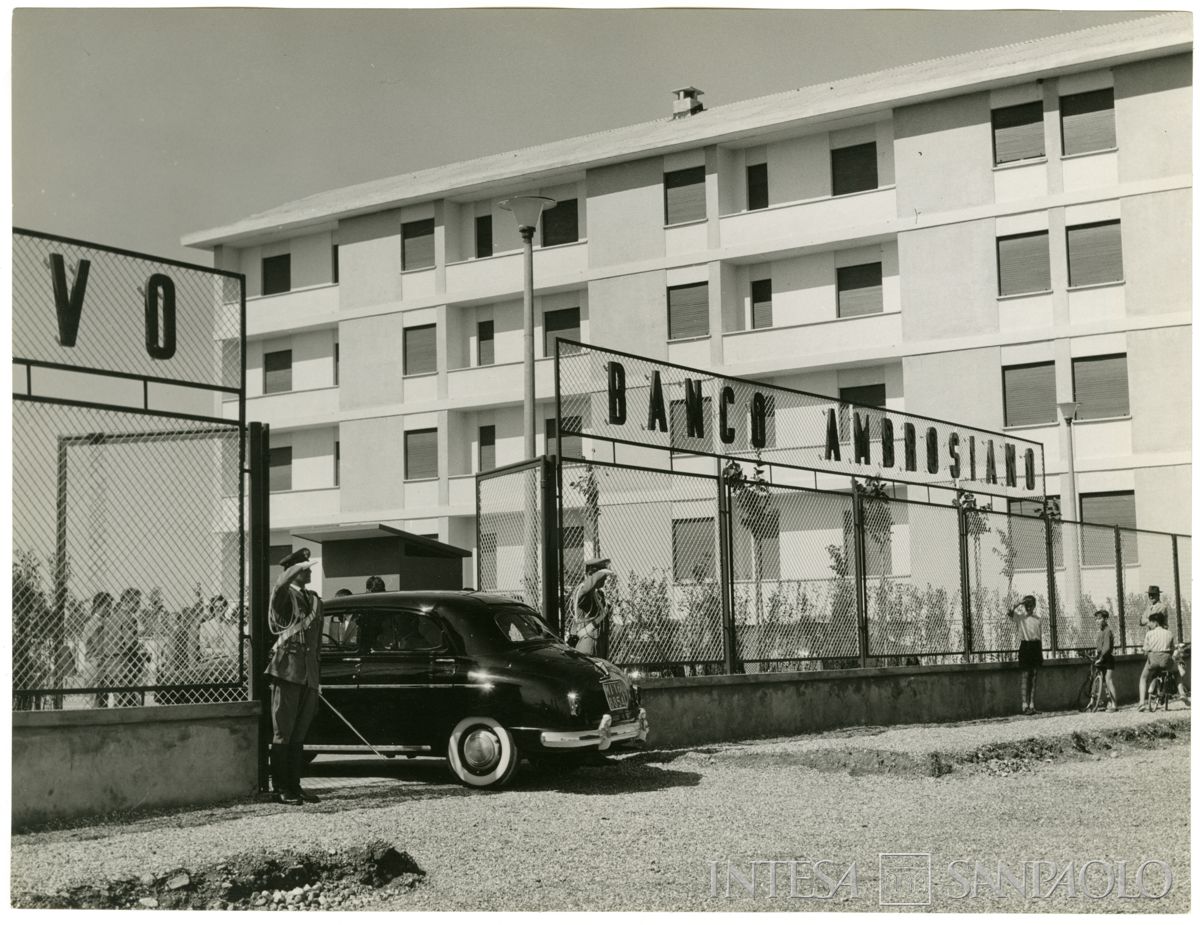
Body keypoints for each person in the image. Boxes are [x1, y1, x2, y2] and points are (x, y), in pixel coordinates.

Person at [266, 548, 324, 805]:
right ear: (295, 572)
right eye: (305, 568)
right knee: (283, 733)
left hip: (308, 675)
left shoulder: (314, 600)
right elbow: (279, 586)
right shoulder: (284, 596)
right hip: (288, 672)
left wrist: (316, 678)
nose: (310, 571)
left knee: (299, 734)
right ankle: (281, 787)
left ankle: (295, 785)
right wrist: (292, 571)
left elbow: (316, 645)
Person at [1138, 611, 1188, 710]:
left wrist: (1147, 652)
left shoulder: (1149, 634)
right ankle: (1182, 694)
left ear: (1156, 622)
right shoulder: (1169, 633)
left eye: (1151, 622)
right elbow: (1172, 649)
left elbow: (1145, 650)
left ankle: (1141, 703)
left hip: (1153, 660)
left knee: (1143, 678)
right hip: (1166, 660)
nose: (1149, 624)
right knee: (1176, 673)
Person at [570, 557, 614, 656]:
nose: (605, 579)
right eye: (603, 577)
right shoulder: (582, 593)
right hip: (588, 643)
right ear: (591, 574)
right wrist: (602, 572)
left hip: (600, 644)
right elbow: (587, 588)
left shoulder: (599, 595)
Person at [1008, 594, 1043, 715]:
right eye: (1026, 605)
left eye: (1031, 605)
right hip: (1025, 646)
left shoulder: (1038, 619)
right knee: (1025, 675)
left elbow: (1040, 637)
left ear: (1034, 606)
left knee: (1034, 676)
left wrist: (1040, 652)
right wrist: (1020, 603)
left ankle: (1032, 705)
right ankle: (1024, 705)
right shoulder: (1020, 618)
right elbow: (1009, 611)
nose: (1029, 607)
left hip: (1035, 647)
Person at [83, 591, 114, 708]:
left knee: (98, 700)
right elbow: (101, 647)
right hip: (96, 664)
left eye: (110, 605)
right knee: (96, 702)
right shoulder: (96, 624)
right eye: (107, 606)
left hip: (95, 664)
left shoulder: (97, 622)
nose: (109, 609)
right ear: (98, 606)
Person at [199, 594, 241, 678]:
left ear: (226, 608)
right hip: (213, 663)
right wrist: (221, 652)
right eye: (216, 606)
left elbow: (236, 646)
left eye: (223, 606)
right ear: (212, 608)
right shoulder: (205, 626)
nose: (220, 609)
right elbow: (204, 649)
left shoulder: (232, 625)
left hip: (230, 663)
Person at [1091, 609, 1118, 712]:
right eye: (1096, 619)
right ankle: (1104, 701)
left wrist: (1101, 658)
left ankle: (1115, 705)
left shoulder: (1108, 631)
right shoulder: (1100, 632)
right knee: (1101, 682)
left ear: (1105, 619)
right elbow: (1098, 646)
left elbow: (1106, 648)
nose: (1098, 621)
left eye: (1100, 618)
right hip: (1100, 658)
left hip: (1107, 659)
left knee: (1109, 680)